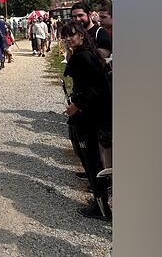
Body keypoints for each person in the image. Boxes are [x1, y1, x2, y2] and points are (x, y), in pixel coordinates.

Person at [62, 21, 112, 221]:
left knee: (91, 161)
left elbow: (99, 88)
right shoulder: (84, 54)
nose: (68, 38)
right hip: (90, 115)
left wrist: (77, 105)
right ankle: (100, 202)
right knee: (91, 160)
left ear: (81, 35)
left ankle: (102, 208)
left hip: (88, 117)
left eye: (72, 35)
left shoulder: (84, 57)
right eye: (65, 35)